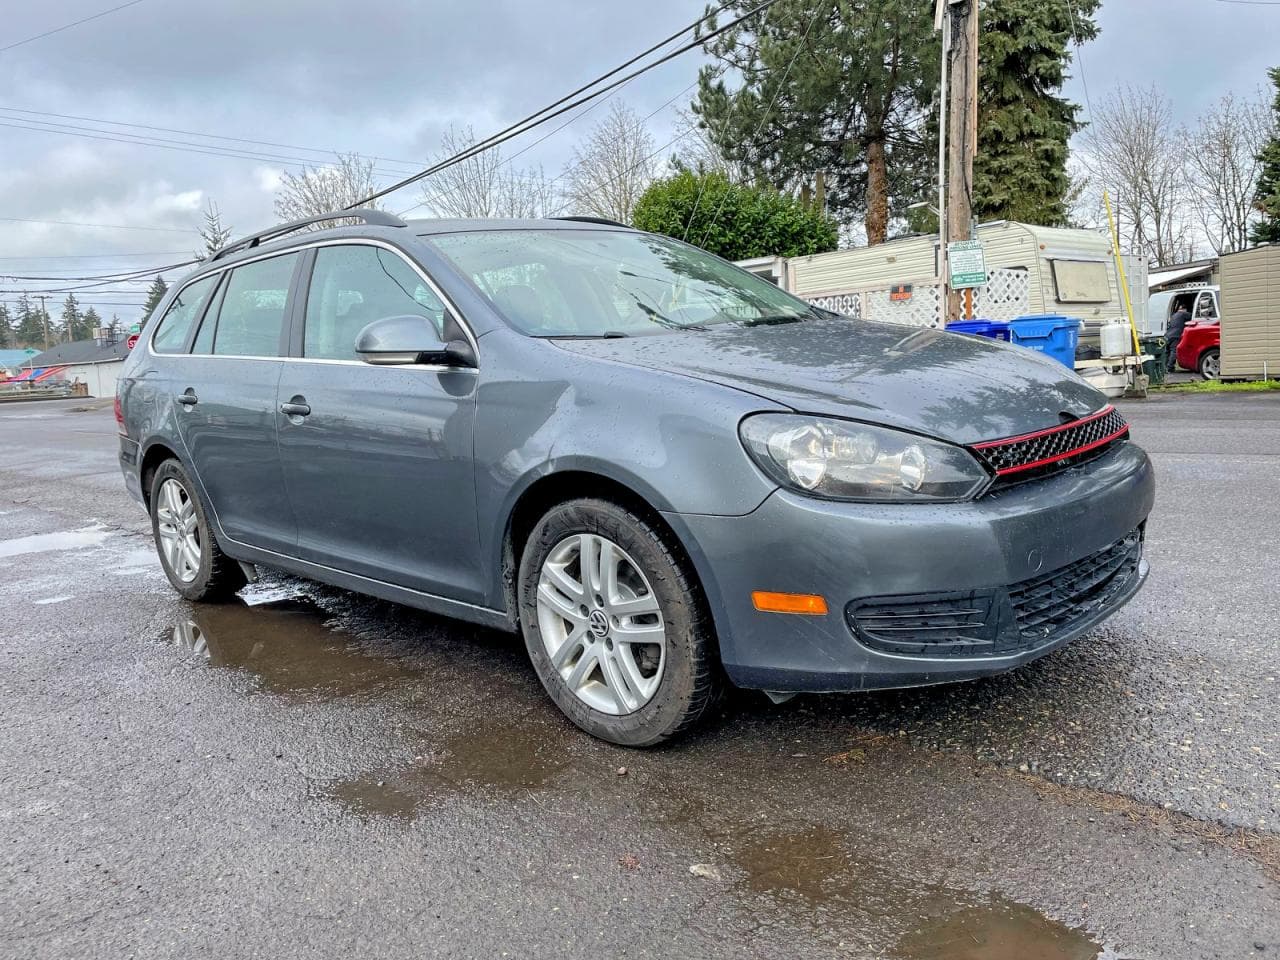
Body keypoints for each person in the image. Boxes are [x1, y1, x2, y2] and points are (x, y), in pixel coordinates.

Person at [1166, 301, 1192, 372]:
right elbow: (1193, 316)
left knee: (1167, 352)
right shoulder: (1183, 314)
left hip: (1168, 334)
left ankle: (1165, 367)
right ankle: (1170, 367)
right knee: (1174, 352)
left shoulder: (1174, 315)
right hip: (1176, 335)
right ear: (1184, 309)